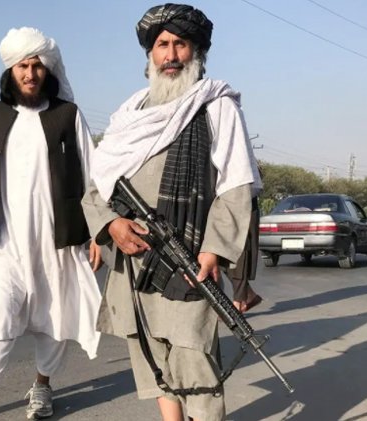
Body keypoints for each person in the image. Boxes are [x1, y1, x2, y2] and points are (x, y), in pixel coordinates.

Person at [81, 4, 261, 421]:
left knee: (194, 360)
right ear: (150, 55)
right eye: (162, 45)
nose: (171, 55)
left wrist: (214, 250)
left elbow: (236, 186)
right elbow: (97, 183)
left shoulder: (215, 106)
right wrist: (110, 224)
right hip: (134, 258)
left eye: (180, 44)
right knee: (152, 359)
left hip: (189, 257)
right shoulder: (130, 114)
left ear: (197, 52)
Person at [0, 27, 101, 420]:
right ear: (11, 71)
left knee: (54, 317)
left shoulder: (67, 114)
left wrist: (98, 234)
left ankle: (42, 387)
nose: (30, 73)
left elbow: (94, 173)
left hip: (58, 238)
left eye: (37, 66)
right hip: (6, 241)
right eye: (23, 66)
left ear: (47, 70)